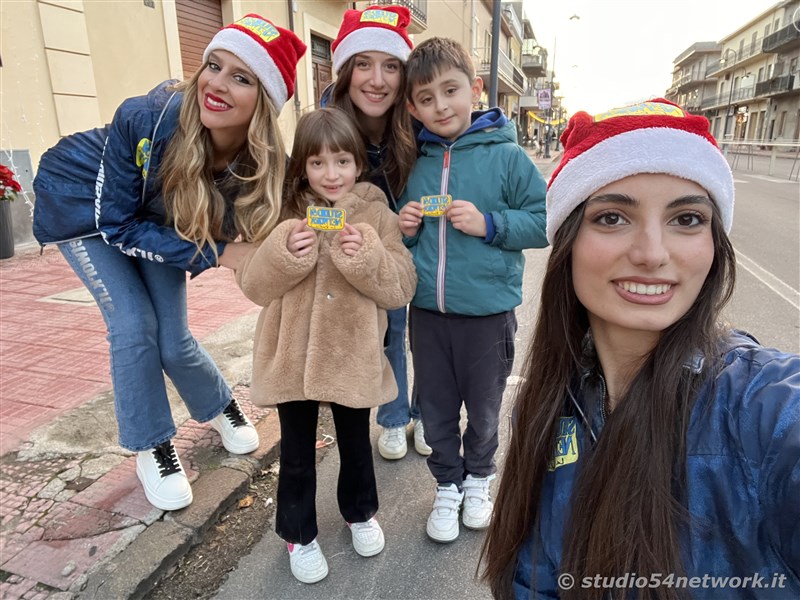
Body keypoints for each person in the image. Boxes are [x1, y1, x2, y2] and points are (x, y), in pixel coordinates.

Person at [481, 99, 800, 600]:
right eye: (612, 217)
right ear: (567, 240)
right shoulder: (545, 403)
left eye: (687, 219)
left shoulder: (766, 412)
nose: (652, 253)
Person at [31, 15, 306, 512]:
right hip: (82, 207)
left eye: (241, 78)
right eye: (213, 66)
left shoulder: (258, 162)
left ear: (262, 105)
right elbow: (118, 225)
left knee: (173, 336)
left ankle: (219, 406)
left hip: (155, 219)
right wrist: (223, 253)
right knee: (135, 325)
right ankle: (153, 444)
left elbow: (291, 230)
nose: (216, 85)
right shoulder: (144, 116)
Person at [235, 108, 417, 584]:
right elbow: (253, 285)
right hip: (291, 353)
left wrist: (370, 256)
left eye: (341, 161)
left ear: (358, 162)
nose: (330, 174)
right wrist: (281, 252)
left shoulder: (378, 214)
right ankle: (298, 533)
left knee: (357, 444)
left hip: (352, 354)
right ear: (303, 167)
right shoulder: (284, 211)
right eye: (317, 163)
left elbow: (400, 288)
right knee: (295, 452)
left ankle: (360, 513)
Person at [398, 37, 548, 544]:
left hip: (487, 315)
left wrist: (489, 223)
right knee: (435, 409)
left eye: (450, 90)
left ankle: (480, 478)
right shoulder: (417, 164)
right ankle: (448, 484)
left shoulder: (508, 157)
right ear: (413, 107)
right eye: (425, 98)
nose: (440, 106)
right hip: (428, 314)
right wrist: (407, 226)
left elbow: (543, 221)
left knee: (483, 409)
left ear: (475, 89)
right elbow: (408, 236)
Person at [321, 4, 429, 460]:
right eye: (363, 64)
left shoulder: (420, 124)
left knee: (427, 331)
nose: (377, 80)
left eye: (390, 66)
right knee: (387, 329)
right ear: (346, 71)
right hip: (368, 253)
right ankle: (391, 414)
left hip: (425, 243)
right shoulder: (328, 127)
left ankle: (428, 413)